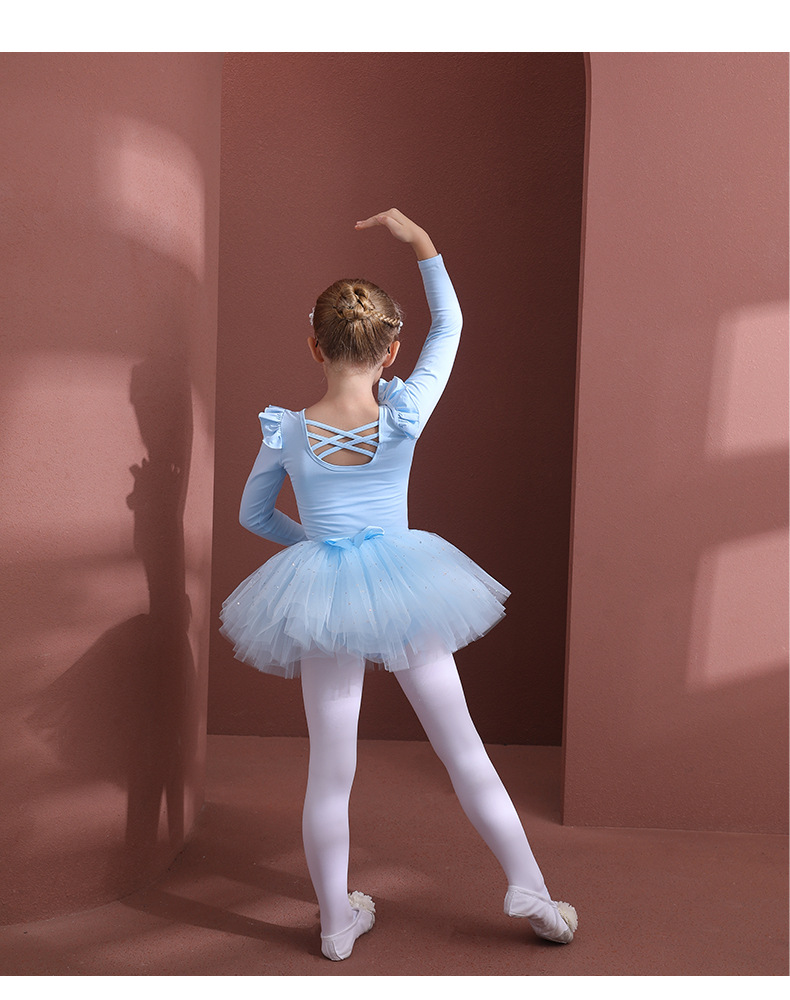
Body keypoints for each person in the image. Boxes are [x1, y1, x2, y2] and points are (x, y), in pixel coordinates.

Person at [220, 209, 578, 961]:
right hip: (406, 587)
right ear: (390, 352)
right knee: (464, 749)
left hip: (322, 594)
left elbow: (254, 516)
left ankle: (335, 925)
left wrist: (316, 554)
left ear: (314, 345)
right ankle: (530, 890)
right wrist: (420, 243)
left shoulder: (287, 430)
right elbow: (450, 325)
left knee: (331, 771)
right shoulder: (405, 411)